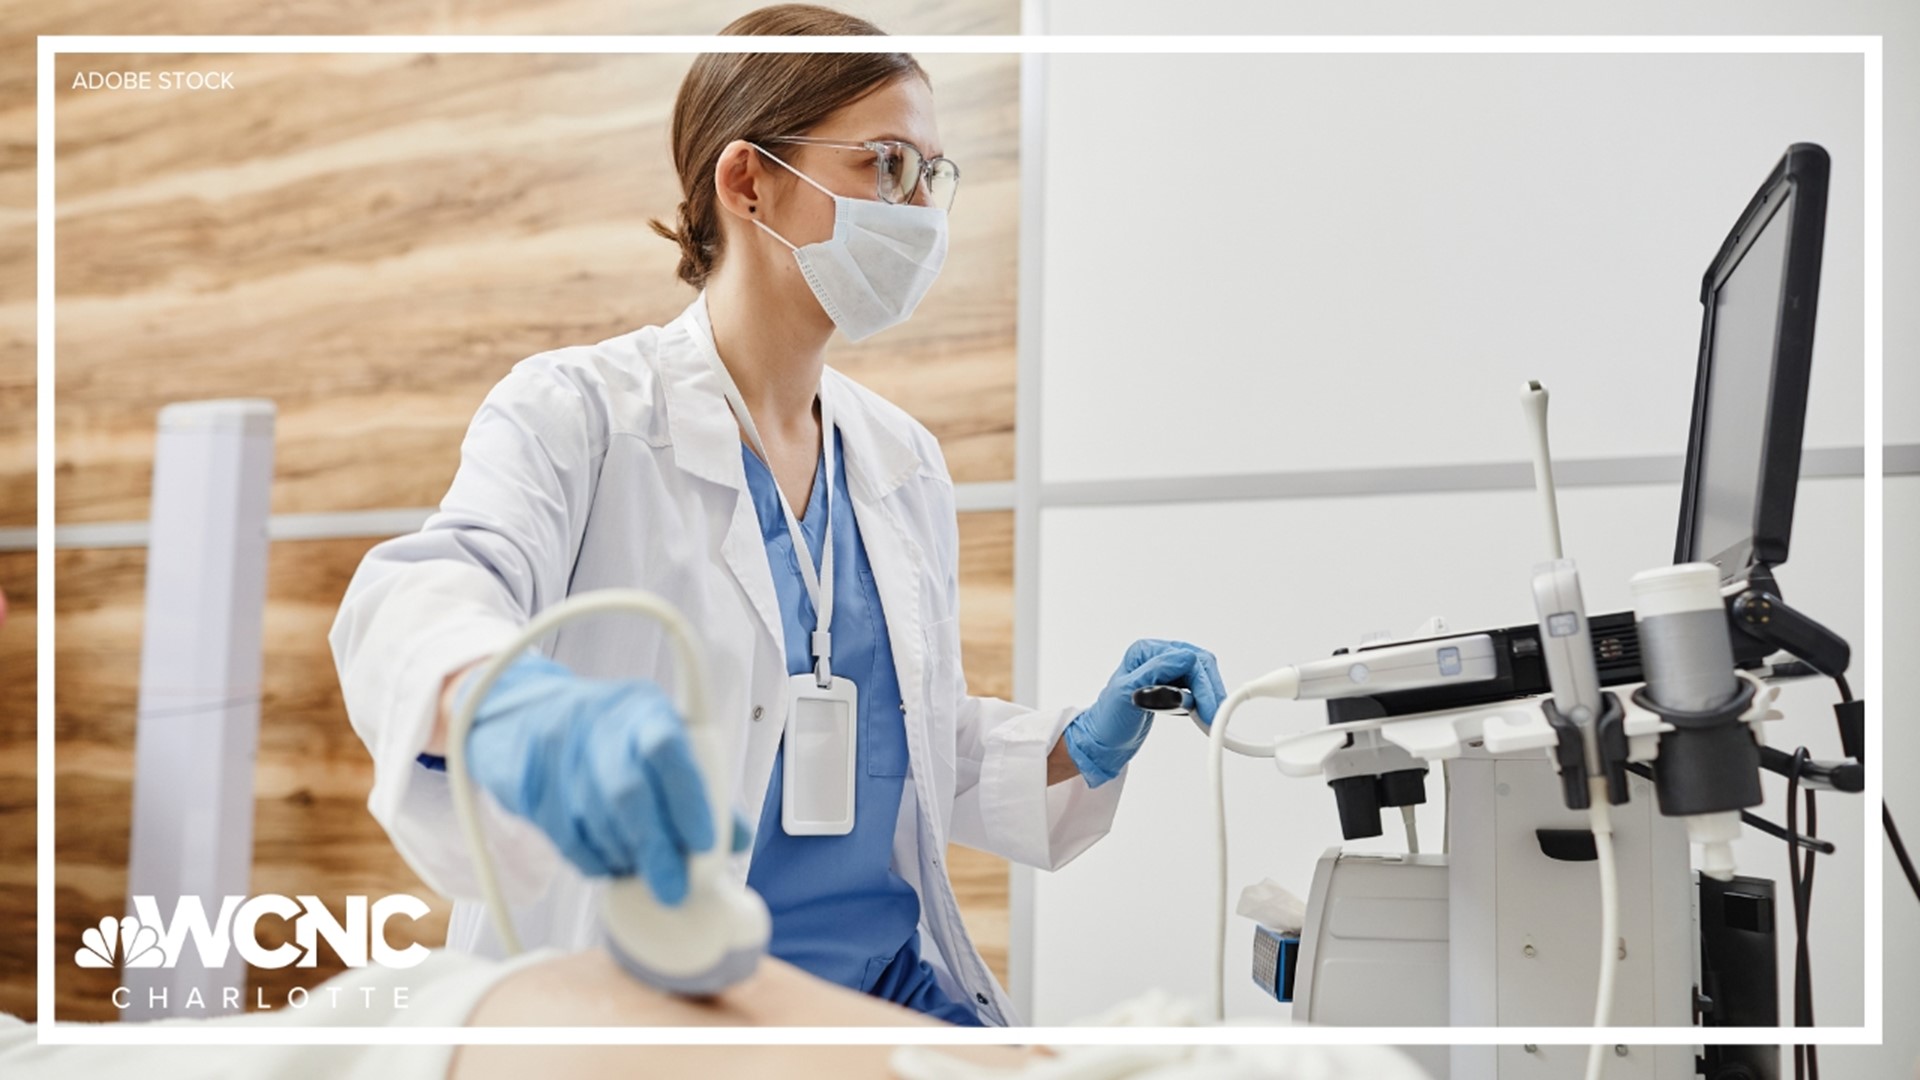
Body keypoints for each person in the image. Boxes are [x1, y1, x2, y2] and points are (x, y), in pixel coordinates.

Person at [328, 3, 1226, 1027]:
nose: (922, 208)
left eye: (934, 174)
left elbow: (896, 742)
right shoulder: (581, 413)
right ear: (749, 182)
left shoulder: (901, 464)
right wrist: (519, 711)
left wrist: (1076, 746)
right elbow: (416, 598)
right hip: (668, 995)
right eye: (886, 166)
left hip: (886, 990)